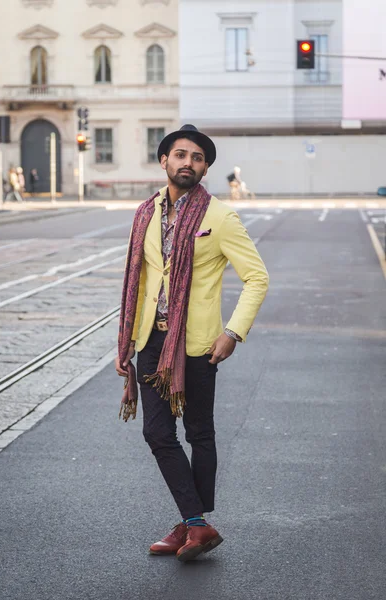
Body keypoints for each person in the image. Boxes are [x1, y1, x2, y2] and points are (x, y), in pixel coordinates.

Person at [115, 124, 269, 562]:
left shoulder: (219, 218)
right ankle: (197, 523)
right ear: (163, 161)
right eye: (180, 154)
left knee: (199, 432)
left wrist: (233, 331)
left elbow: (257, 277)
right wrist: (126, 341)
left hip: (199, 344)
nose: (188, 162)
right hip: (151, 341)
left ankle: (191, 524)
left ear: (205, 168)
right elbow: (138, 279)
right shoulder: (145, 213)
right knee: (157, 433)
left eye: (197, 158)